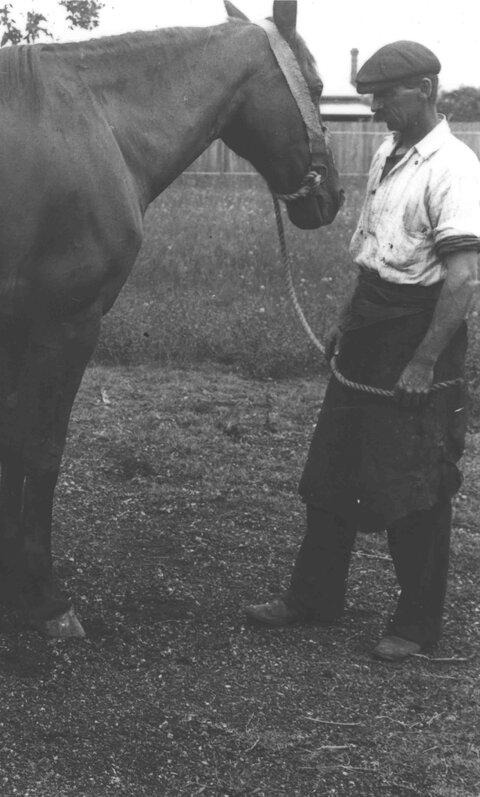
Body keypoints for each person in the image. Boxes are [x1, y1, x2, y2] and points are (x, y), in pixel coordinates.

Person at [243, 41, 480, 662]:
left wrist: (424, 360)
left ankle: (417, 624)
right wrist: (346, 323)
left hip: (419, 330)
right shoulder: (387, 154)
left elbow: (462, 280)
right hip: (370, 323)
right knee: (332, 468)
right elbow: (372, 249)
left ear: (426, 89)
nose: (377, 108)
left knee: (415, 480)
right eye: (372, 95)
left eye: (387, 95)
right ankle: (314, 598)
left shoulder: (454, 167)